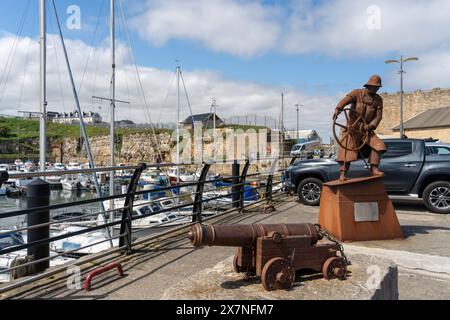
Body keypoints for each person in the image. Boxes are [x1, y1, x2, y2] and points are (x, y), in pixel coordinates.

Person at [333, 75, 387, 180]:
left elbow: (378, 116)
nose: (376, 89)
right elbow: (345, 100)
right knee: (346, 151)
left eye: (378, 87)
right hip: (352, 128)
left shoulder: (378, 99)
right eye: (374, 86)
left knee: (379, 145)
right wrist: (338, 108)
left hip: (366, 130)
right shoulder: (356, 93)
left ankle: (374, 169)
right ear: (369, 85)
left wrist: (371, 126)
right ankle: (343, 174)